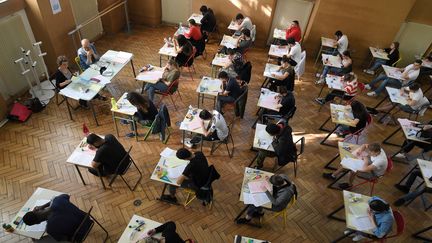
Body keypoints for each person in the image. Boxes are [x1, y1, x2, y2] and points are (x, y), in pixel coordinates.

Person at [22, 194, 92, 242]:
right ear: (36, 210)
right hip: (87, 219)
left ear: (38, 223)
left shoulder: (50, 229)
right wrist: (43, 206)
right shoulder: (58, 201)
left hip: (80, 235)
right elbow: (66, 195)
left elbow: (65, 239)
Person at [323, 143, 388, 190]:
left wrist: (366, 160)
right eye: (369, 152)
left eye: (371, 153)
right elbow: (365, 145)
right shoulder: (377, 148)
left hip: (374, 173)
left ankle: (349, 185)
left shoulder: (380, 160)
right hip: (371, 164)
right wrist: (361, 150)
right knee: (348, 162)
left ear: (377, 152)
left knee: (353, 170)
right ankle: (333, 176)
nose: (370, 153)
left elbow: (365, 169)